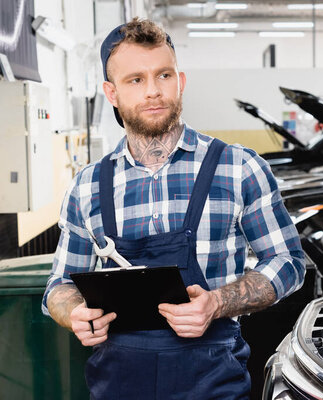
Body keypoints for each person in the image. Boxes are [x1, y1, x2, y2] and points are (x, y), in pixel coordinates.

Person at [42, 18, 305, 399]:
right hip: (118, 383)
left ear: (179, 81)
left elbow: (288, 262)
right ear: (111, 93)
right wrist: (74, 314)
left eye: (163, 75)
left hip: (213, 380)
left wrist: (216, 302)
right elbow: (60, 284)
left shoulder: (239, 167)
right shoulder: (87, 186)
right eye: (135, 80)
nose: (153, 91)